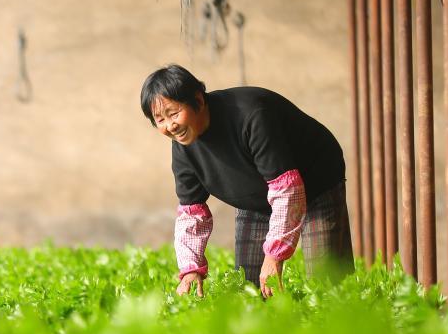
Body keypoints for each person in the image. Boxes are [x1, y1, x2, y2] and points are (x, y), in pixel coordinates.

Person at [141, 64, 353, 298]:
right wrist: (190, 269)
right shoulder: (182, 148)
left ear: (198, 101)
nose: (170, 126)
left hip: (315, 182)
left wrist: (274, 255)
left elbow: (287, 189)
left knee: (327, 283)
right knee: (249, 289)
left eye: (173, 114)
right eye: (159, 119)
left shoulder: (252, 115)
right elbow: (192, 213)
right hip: (256, 198)